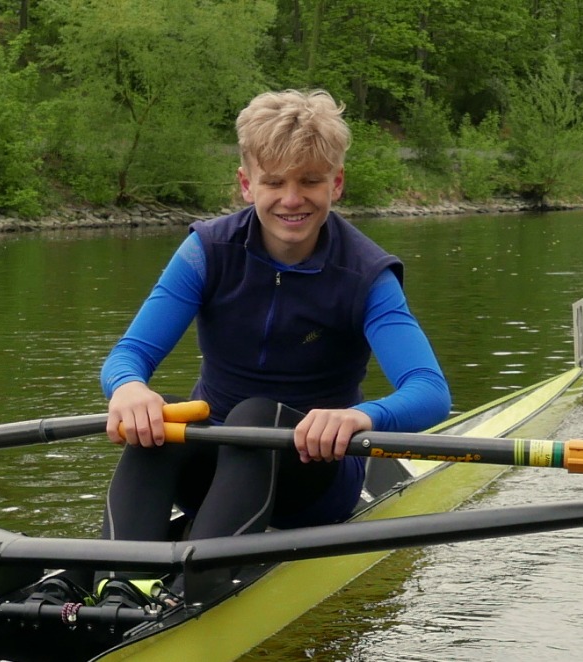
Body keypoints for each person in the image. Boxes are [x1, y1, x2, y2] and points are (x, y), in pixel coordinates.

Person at [98, 89, 450, 593]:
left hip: (314, 478)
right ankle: (116, 587)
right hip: (216, 473)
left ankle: (191, 593)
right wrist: (128, 388)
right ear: (247, 185)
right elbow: (129, 355)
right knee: (161, 418)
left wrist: (360, 417)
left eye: (310, 181)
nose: (291, 199)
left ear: (336, 184)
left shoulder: (366, 275)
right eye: (274, 182)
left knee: (256, 416)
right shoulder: (206, 251)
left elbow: (430, 391)